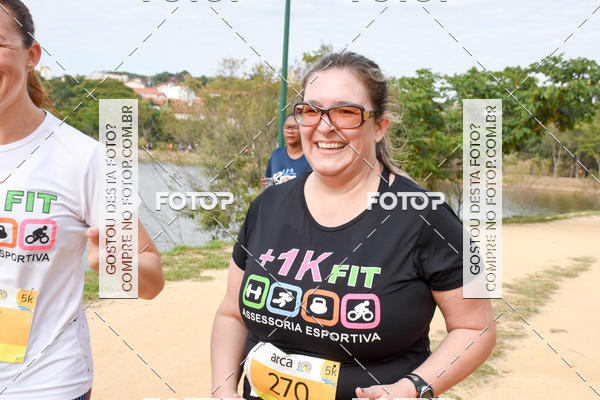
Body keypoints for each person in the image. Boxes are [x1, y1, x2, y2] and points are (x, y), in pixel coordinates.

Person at [211, 51, 496, 400]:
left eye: (346, 112)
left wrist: (412, 388)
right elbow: (232, 314)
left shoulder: (426, 216)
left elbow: (476, 328)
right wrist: (222, 389)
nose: (325, 126)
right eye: (311, 110)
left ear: (379, 126)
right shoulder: (266, 206)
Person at [0, 2, 165, 399]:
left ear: (31, 55)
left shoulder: (84, 158)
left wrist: (117, 266)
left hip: (43, 386)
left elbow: (151, 278)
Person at [261, 114, 311, 188]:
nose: (290, 131)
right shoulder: (276, 155)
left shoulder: (310, 158)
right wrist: (267, 183)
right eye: (287, 127)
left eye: (295, 127)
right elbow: (268, 183)